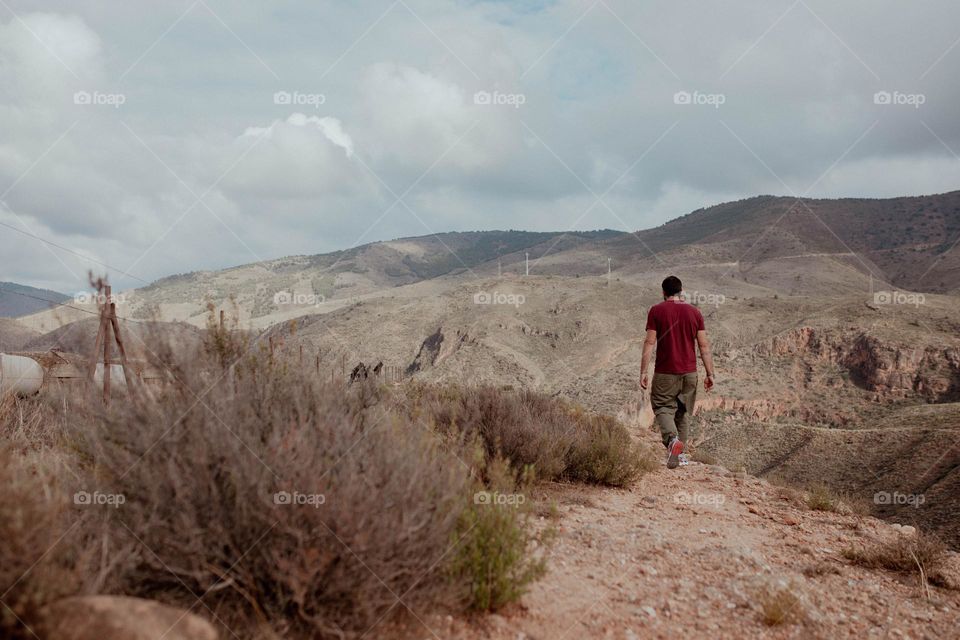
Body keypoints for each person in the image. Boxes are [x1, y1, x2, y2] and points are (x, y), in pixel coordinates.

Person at [639, 276, 715, 469]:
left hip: (665, 371)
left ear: (663, 292)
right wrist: (709, 373)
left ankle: (672, 441)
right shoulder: (695, 313)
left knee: (662, 407)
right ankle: (680, 456)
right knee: (682, 413)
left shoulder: (656, 311)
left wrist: (643, 371)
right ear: (681, 291)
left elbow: (649, 342)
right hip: (690, 373)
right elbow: (704, 346)